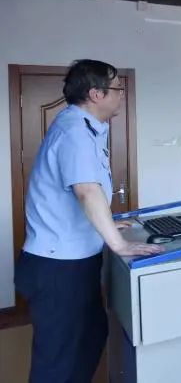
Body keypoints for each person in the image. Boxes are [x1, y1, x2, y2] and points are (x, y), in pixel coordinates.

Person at [14, 60, 163, 383]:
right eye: (117, 88)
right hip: (58, 267)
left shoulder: (85, 127)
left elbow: (82, 192)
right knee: (58, 360)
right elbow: (86, 190)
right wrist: (119, 244)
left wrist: (106, 224)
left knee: (90, 336)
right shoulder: (74, 132)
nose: (122, 94)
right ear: (96, 94)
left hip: (71, 261)